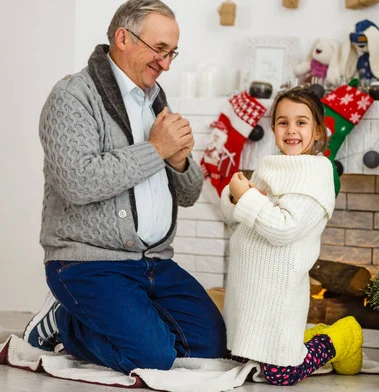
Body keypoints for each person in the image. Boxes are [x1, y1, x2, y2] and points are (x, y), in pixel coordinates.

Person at [23, 0, 227, 373]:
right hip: (89, 263)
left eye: (172, 53)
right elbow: (77, 182)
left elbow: (189, 194)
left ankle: (127, 322)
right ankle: (62, 322)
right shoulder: (72, 97)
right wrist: (156, 149)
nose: (166, 64)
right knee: (153, 359)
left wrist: (178, 160)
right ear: (123, 38)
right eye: (160, 50)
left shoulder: (154, 101)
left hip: (153, 264)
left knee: (211, 348)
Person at [220, 87, 363, 386]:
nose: (291, 130)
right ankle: (305, 338)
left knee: (279, 372)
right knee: (238, 357)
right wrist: (236, 198)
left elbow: (283, 228)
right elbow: (240, 218)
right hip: (249, 284)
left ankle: (342, 336)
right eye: (283, 122)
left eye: (301, 122)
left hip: (278, 289)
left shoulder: (318, 173)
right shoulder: (269, 165)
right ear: (272, 129)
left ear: (318, 130)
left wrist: (246, 197)